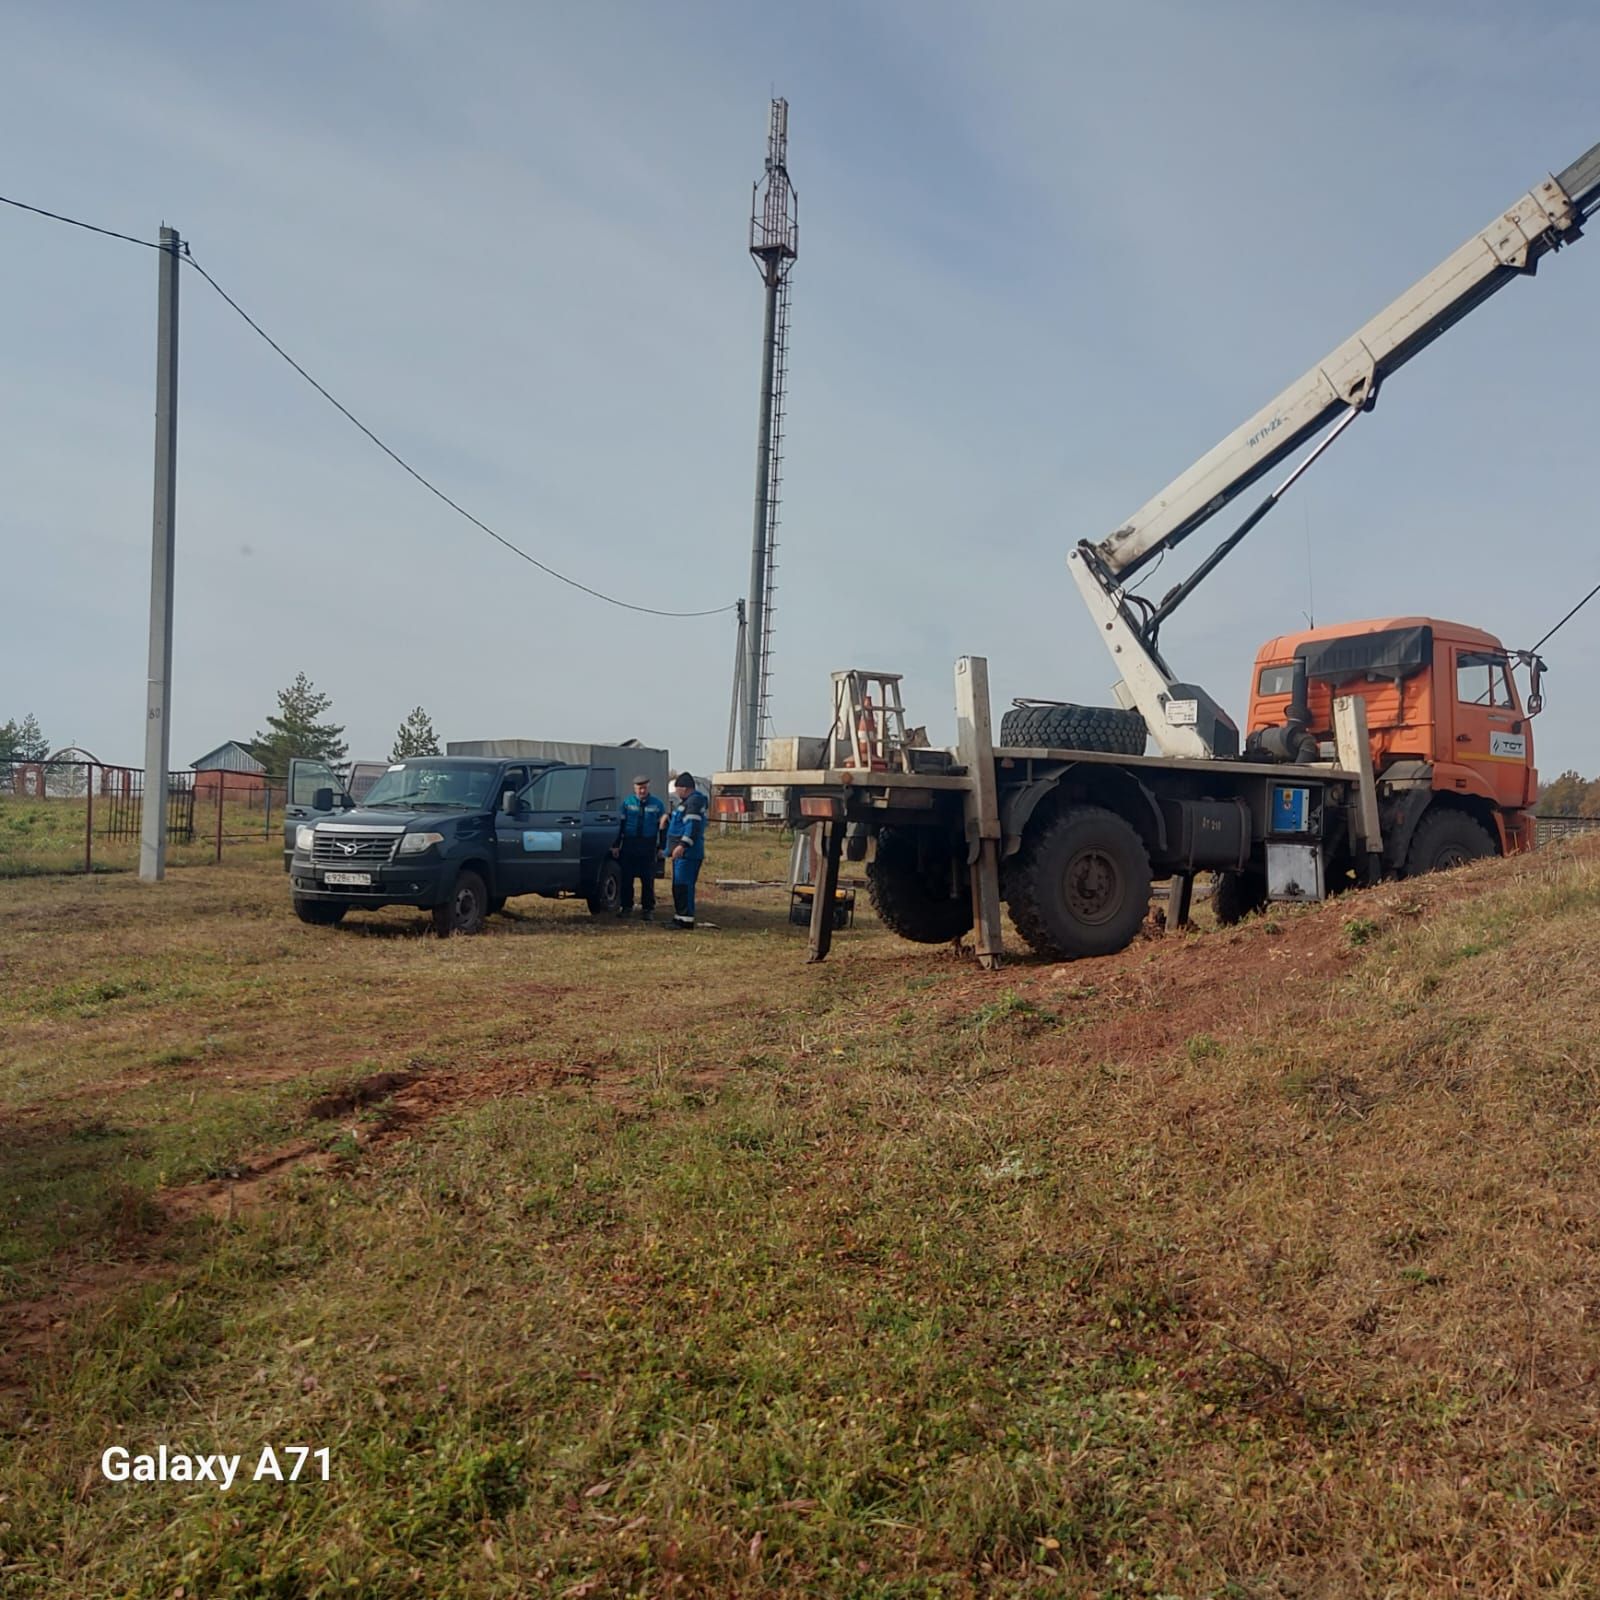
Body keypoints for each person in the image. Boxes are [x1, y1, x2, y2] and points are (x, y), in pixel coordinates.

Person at [611, 774, 666, 919]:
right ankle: (626, 907)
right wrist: (616, 845)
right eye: (639, 788)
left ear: (648, 788)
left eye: (644, 788)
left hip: (648, 845)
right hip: (630, 844)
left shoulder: (657, 804)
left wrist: (662, 847)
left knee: (647, 879)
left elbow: (663, 827)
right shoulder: (627, 803)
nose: (642, 791)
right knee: (627, 878)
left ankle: (648, 909)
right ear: (634, 788)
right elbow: (620, 826)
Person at [664, 771, 708, 930]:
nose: (676, 792)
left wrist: (683, 845)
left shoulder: (694, 802)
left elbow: (692, 827)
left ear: (684, 788)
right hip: (682, 854)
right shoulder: (686, 802)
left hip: (688, 854)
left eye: (677, 789)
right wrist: (667, 817)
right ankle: (679, 917)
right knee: (678, 885)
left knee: (684, 885)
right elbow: (680, 821)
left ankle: (686, 920)